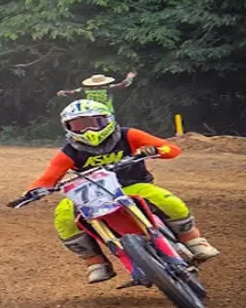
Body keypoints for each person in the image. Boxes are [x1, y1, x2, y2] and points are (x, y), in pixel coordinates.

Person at [16, 99, 220, 284]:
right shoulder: (70, 150)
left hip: (133, 185)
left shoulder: (128, 135)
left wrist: (154, 151)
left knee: (166, 199)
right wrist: (33, 192)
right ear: (68, 128)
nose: (87, 130)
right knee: (63, 216)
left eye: (92, 123)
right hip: (93, 194)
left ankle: (193, 240)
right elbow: (49, 177)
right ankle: (95, 263)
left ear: (107, 120)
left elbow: (171, 149)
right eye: (78, 125)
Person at [57, 72, 137, 110]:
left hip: (90, 112)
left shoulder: (85, 90)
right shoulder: (109, 88)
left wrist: (63, 92)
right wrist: (129, 77)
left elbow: (73, 92)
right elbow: (123, 84)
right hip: (106, 111)